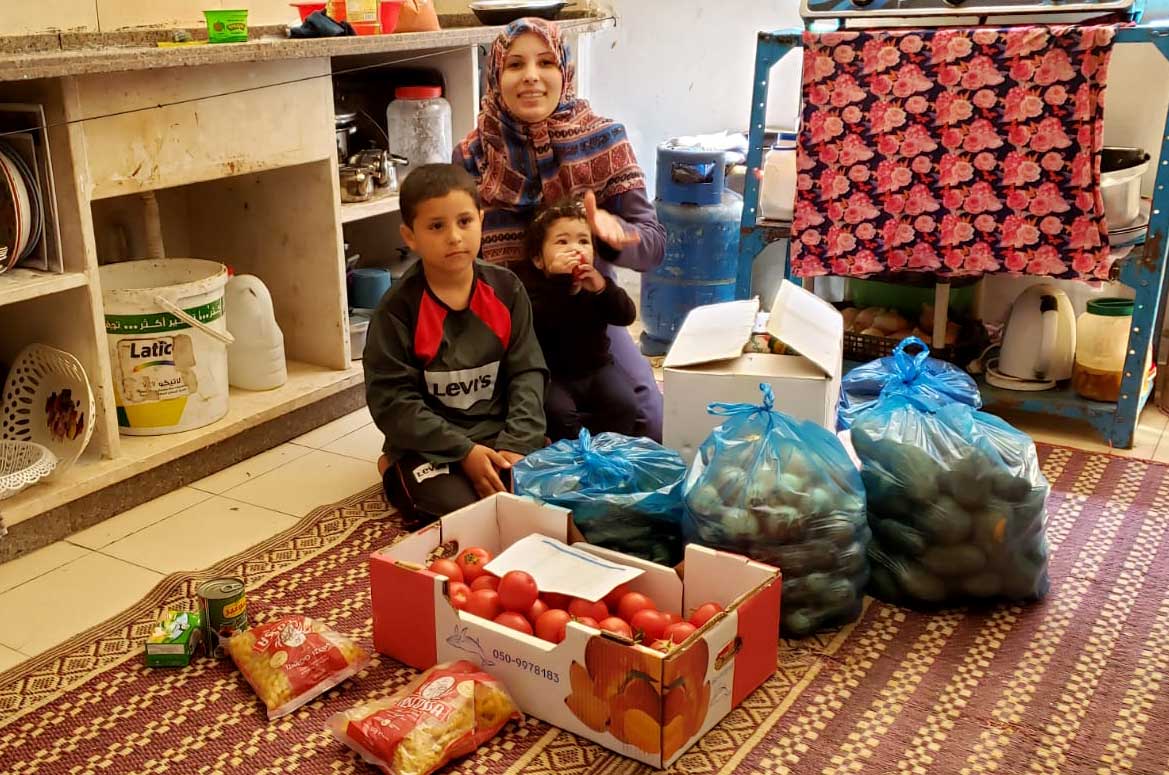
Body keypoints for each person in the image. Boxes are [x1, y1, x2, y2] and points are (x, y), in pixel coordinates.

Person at [454, 17, 667, 442]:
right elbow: (459, 250)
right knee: (502, 434)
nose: (531, 77)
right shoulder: (473, 154)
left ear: (564, 71)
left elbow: (652, 245)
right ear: (495, 76)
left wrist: (616, 234)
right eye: (515, 65)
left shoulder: (605, 140)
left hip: (586, 317)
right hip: (503, 320)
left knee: (647, 422)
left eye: (546, 62)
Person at [363, 164, 547, 528]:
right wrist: (464, 452)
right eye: (436, 226)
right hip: (429, 445)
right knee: (461, 513)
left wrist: (518, 443)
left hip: (496, 433)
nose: (454, 237)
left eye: (465, 222)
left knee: (539, 497)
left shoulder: (506, 290)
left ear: (481, 220)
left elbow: (527, 372)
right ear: (409, 236)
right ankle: (393, 466)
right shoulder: (397, 311)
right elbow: (393, 402)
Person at [514, 196, 638, 441]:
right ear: (538, 259)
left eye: (584, 241)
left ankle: (610, 456)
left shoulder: (596, 283)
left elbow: (626, 315)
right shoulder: (532, 290)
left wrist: (603, 288)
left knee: (624, 403)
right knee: (558, 414)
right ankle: (574, 460)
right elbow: (541, 321)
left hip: (597, 368)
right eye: (562, 242)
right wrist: (562, 285)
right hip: (552, 374)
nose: (575, 248)